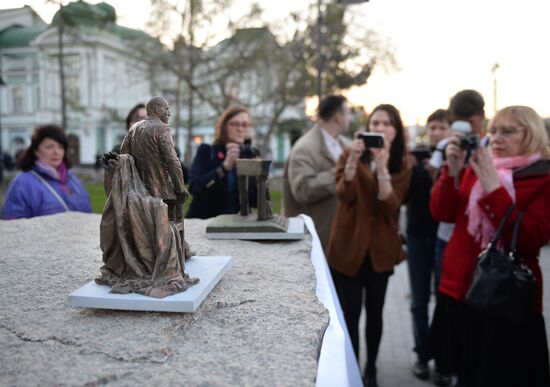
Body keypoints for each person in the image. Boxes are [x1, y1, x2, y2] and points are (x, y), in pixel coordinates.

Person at [429, 105, 550, 387]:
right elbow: (442, 213)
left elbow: (533, 237)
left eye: (508, 131)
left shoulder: (543, 177)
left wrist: (495, 190)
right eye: (494, 130)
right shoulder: (481, 165)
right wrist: (452, 172)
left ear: (531, 135)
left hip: (511, 299)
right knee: (470, 373)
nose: (496, 138)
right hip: (469, 292)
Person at [327, 104, 411, 387]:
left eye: (386, 123)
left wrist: (383, 166)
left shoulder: (402, 163)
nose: (379, 128)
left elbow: (391, 205)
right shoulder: (349, 154)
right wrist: (353, 161)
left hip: (380, 251)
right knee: (350, 315)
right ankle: (351, 370)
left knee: (376, 314)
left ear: (396, 131)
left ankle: (372, 369)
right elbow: (344, 195)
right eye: (374, 122)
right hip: (348, 248)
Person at [405, 109, 452, 381]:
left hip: (444, 238)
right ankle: (422, 355)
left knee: (443, 300)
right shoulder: (419, 159)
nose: (436, 133)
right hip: (417, 237)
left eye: (441, 127)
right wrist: (409, 170)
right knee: (419, 301)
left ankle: (444, 360)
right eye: (432, 127)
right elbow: (404, 199)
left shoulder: (453, 158)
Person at [429, 90, 486, 308]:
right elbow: (440, 210)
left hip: (483, 247)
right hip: (449, 240)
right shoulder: (447, 148)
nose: (467, 130)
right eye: (459, 123)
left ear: (481, 116)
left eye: (470, 122)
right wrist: (451, 169)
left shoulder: (492, 148)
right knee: (448, 306)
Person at [283, 95, 352, 253]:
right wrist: (340, 173)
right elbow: (303, 190)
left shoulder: (347, 145)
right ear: (337, 116)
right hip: (317, 244)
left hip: (343, 243)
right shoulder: (304, 148)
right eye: (347, 112)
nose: (350, 117)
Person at [1, 125, 92, 219]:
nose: (56, 152)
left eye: (61, 147)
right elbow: (13, 222)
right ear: (36, 150)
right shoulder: (22, 182)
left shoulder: (72, 178)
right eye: (49, 147)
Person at [120, 96, 187, 223]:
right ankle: (172, 241)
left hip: (137, 191)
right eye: (166, 109)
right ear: (157, 109)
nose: (169, 113)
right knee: (172, 221)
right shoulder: (163, 128)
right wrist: (180, 189)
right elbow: (172, 161)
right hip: (163, 193)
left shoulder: (134, 128)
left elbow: (124, 157)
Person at [186, 104, 259, 219]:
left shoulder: (250, 156)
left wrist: (258, 175)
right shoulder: (207, 151)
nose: (240, 129)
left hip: (237, 227)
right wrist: (224, 168)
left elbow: (256, 202)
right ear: (224, 127)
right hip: (205, 225)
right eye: (235, 124)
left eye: (245, 125)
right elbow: (195, 188)